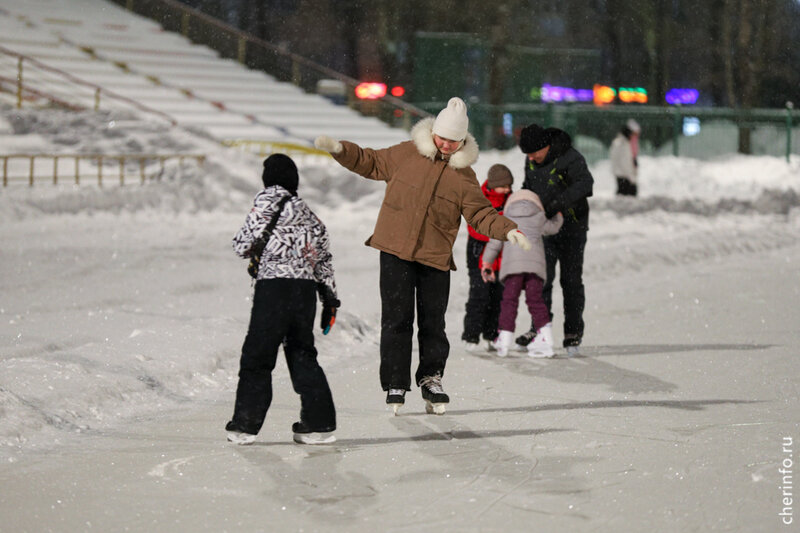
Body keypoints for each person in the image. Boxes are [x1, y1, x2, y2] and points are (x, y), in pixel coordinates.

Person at [314, 97, 531, 415]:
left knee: (433, 323)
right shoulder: (405, 153)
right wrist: (340, 149)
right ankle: (395, 382)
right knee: (397, 320)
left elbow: (481, 213)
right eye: (442, 137)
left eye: (453, 140)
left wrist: (508, 229)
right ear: (433, 132)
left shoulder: (464, 177)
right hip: (394, 250)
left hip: (434, 257)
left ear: (462, 141)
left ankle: (431, 377)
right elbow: (370, 161)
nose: (446, 144)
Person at [225, 154, 341, 445]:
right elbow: (323, 258)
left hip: (273, 290)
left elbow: (241, 245)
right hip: (304, 293)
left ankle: (245, 426)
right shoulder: (308, 213)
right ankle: (319, 424)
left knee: (258, 356)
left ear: (267, 178)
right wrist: (330, 299)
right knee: (302, 354)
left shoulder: (263, 204)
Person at [517, 123, 594, 357]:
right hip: (545, 229)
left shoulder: (569, 157)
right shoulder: (531, 161)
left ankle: (572, 333)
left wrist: (557, 204)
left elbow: (586, 185)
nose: (531, 158)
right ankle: (539, 328)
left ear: (546, 145)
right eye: (528, 154)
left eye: (534, 153)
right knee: (541, 281)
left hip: (572, 229)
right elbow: (528, 187)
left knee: (570, 281)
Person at [481, 190, 562, 357]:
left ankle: (504, 338)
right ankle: (546, 338)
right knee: (536, 301)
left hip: (513, 269)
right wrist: (559, 215)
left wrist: (487, 262)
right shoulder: (539, 216)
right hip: (535, 268)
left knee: (509, 301)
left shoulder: (505, 219)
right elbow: (553, 228)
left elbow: (494, 243)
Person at [461, 164, 513, 352]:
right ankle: (471, 334)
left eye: (509, 186)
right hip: (479, 252)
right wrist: (497, 230)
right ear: (493, 184)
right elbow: (474, 227)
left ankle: (492, 335)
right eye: (504, 186)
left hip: (503, 253)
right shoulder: (478, 198)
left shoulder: (511, 201)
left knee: (498, 296)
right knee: (480, 293)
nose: (507, 189)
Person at [610, 118, 641, 196]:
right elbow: (624, 162)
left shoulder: (625, 143)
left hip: (625, 175)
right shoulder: (621, 144)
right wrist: (631, 177)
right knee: (625, 197)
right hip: (624, 175)